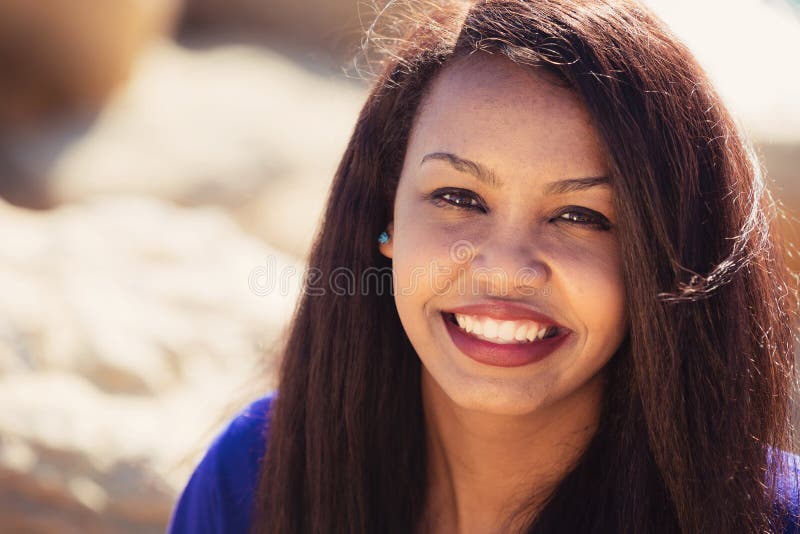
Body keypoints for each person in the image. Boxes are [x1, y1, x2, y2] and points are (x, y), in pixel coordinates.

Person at [167, 0, 800, 532]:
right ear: (385, 220)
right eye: (459, 199)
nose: (504, 270)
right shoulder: (254, 475)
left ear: (666, 257)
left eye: (582, 216)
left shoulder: (770, 518)